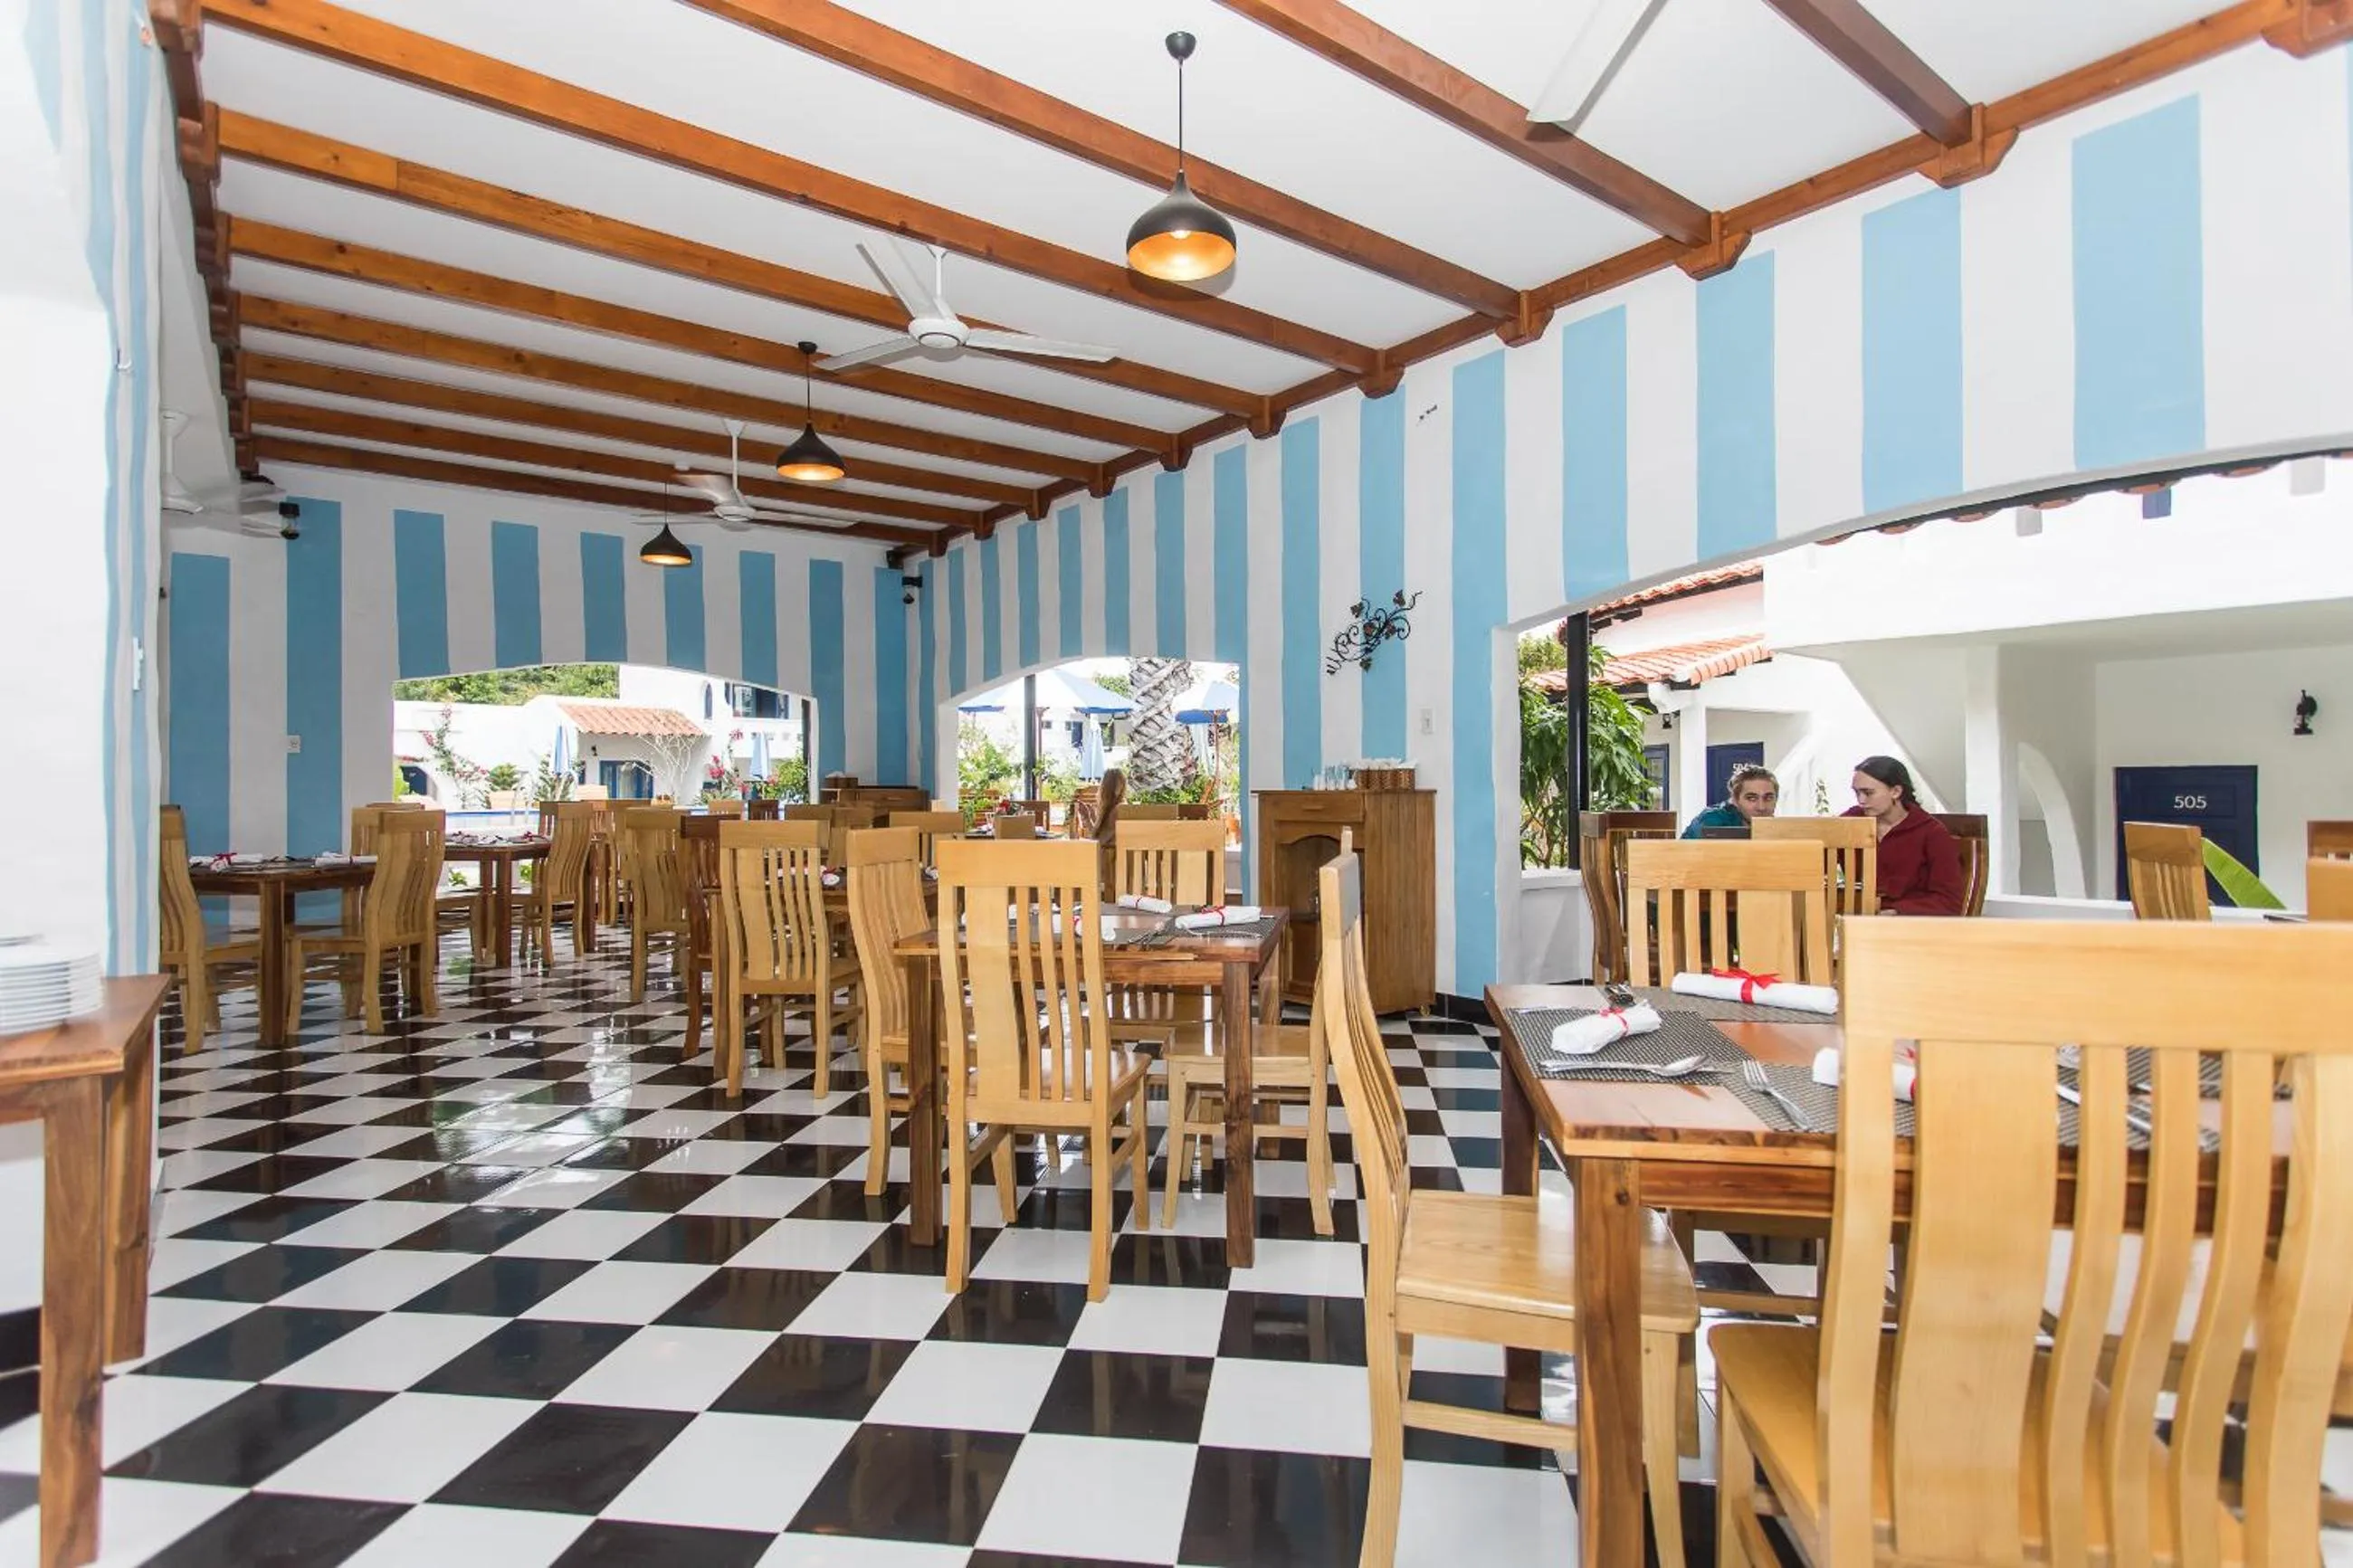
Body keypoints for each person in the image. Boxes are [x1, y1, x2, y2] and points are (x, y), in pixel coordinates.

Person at [1843, 755, 1965, 916]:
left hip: (1911, 923)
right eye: (1857, 793)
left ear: (1896, 791)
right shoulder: (1852, 821)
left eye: (1868, 793)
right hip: (1861, 916)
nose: (1861, 800)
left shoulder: (1932, 833)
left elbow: (1949, 900)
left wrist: (1898, 912)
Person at [1681, 763, 1778, 838]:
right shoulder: (1712, 822)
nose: (1761, 807)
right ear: (1735, 800)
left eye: (1768, 798)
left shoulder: (1778, 827)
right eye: (1751, 798)